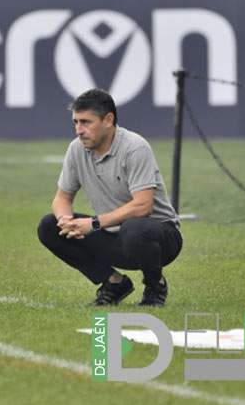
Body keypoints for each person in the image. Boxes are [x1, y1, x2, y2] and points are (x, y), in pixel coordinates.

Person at [37, 89, 182, 307]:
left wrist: (94, 224)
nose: (79, 130)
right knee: (49, 226)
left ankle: (155, 285)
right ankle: (113, 282)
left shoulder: (135, 147)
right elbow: (62, 198)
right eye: (76, 122)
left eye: (86, 122)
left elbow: (143, 206)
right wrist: (65, 220)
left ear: (108, 120)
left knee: (134, 228)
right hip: (113, 235)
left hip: (160, 237)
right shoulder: (76, 149)